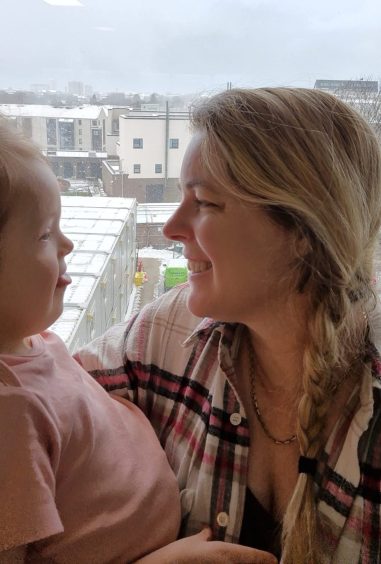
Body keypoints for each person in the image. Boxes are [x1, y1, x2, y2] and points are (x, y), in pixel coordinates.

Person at [76, 87, 381, 564]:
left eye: (205, 203)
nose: (173, 227)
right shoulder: (166, 333)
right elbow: (29, 398)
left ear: (304, 231)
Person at [0, 123, 275, 564]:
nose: (68, 243)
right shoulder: (7, 409)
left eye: (204, 202)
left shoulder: (38, 346)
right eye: (45, 234)